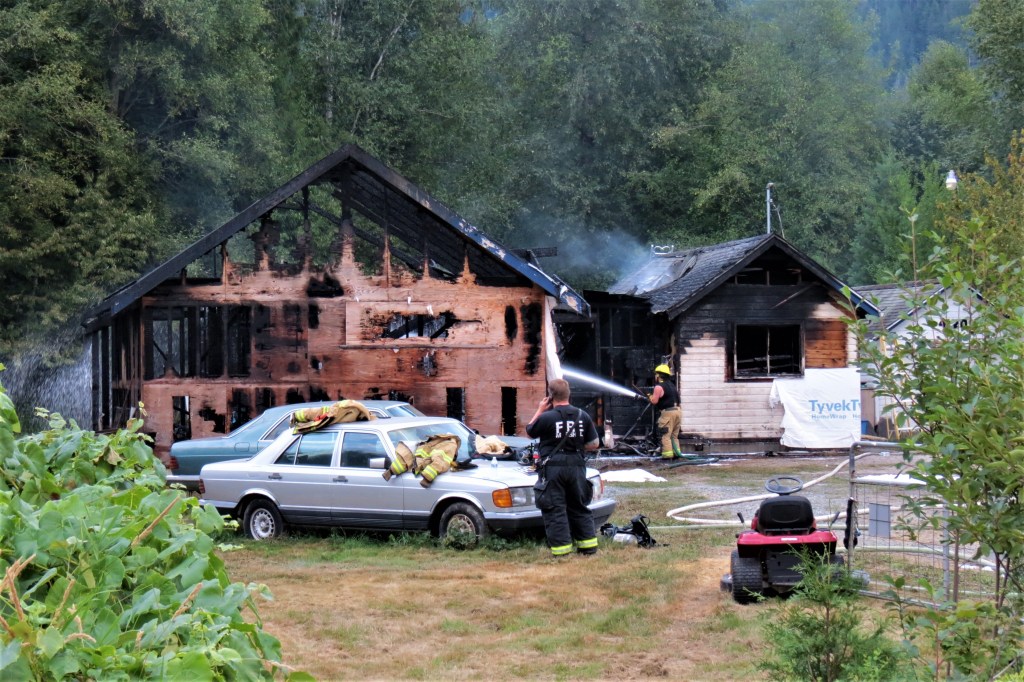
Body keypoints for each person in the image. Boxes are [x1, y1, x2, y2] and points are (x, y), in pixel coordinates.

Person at [526, 378, 600, 557]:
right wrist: (575, 446)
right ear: (569, 394)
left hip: (553, 468)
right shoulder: (583, 416)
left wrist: (540, 409)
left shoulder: (546, 417)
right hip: (577, 466)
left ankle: (562, 551)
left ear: (550, 396)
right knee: (579, 505)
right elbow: (594, 444)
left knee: (555, 508)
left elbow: (529, 432)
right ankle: (588, 547)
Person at [649, 364, 682, 459]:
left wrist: (650, 396)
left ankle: (667, 457)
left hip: (668, 413)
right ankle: (676, 454)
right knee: (674, 436)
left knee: (665, 435)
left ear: (659, 375)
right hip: (678, 411)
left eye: (656, 374)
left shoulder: (659, 387)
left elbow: (654, 401)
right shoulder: (672, 385)